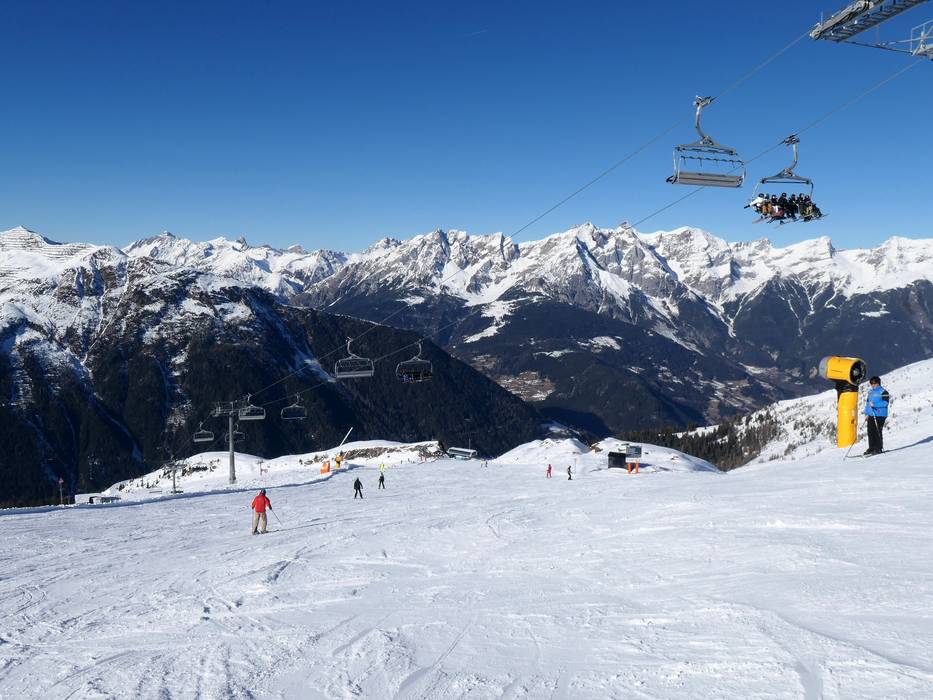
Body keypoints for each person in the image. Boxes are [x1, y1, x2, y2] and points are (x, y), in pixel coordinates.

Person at [864, 375, 891, 456]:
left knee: (877, 430)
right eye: (871, 383)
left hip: (880, 414)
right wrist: (867, 413)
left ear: (878, 383)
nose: (873, 385)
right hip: (871, 414)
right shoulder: (870, 392)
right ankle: (871, 448)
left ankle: (878, 448)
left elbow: (885, 403)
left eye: (874, 383)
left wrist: (875, 404)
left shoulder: (883, 392)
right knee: (870, 431)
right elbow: (868, 404)